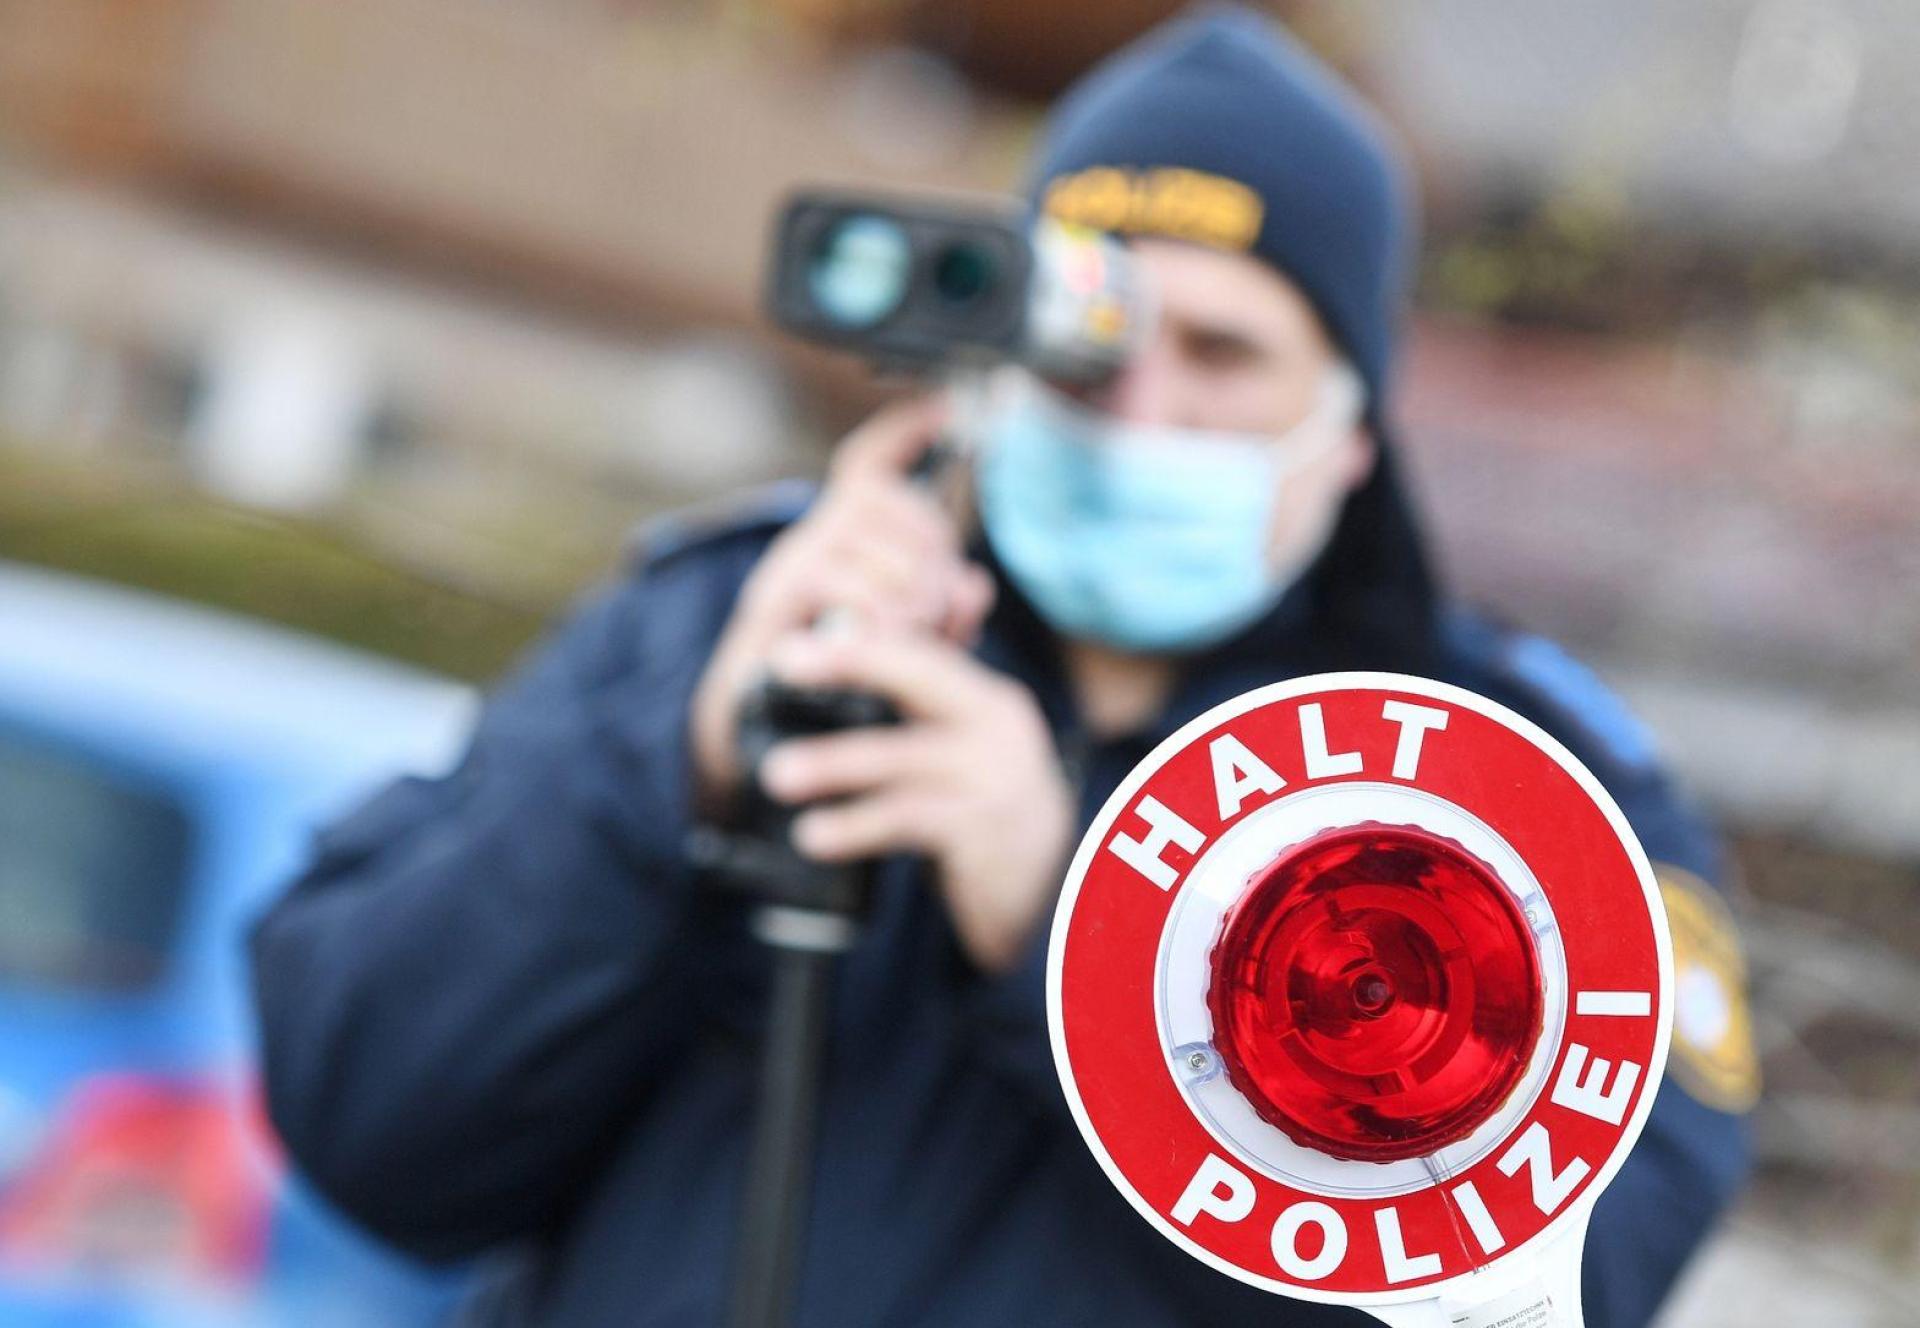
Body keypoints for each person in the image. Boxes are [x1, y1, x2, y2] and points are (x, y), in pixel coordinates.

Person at [249, 8, 1756, 1326]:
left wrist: (1085, 922)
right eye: (1090, 346)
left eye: (1224, 358)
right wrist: (678, 761)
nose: (1139, 411)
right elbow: (368, 1121)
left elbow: (1572, 1283)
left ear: (1352, 435)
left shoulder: (1517, 786)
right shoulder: (730, 622)